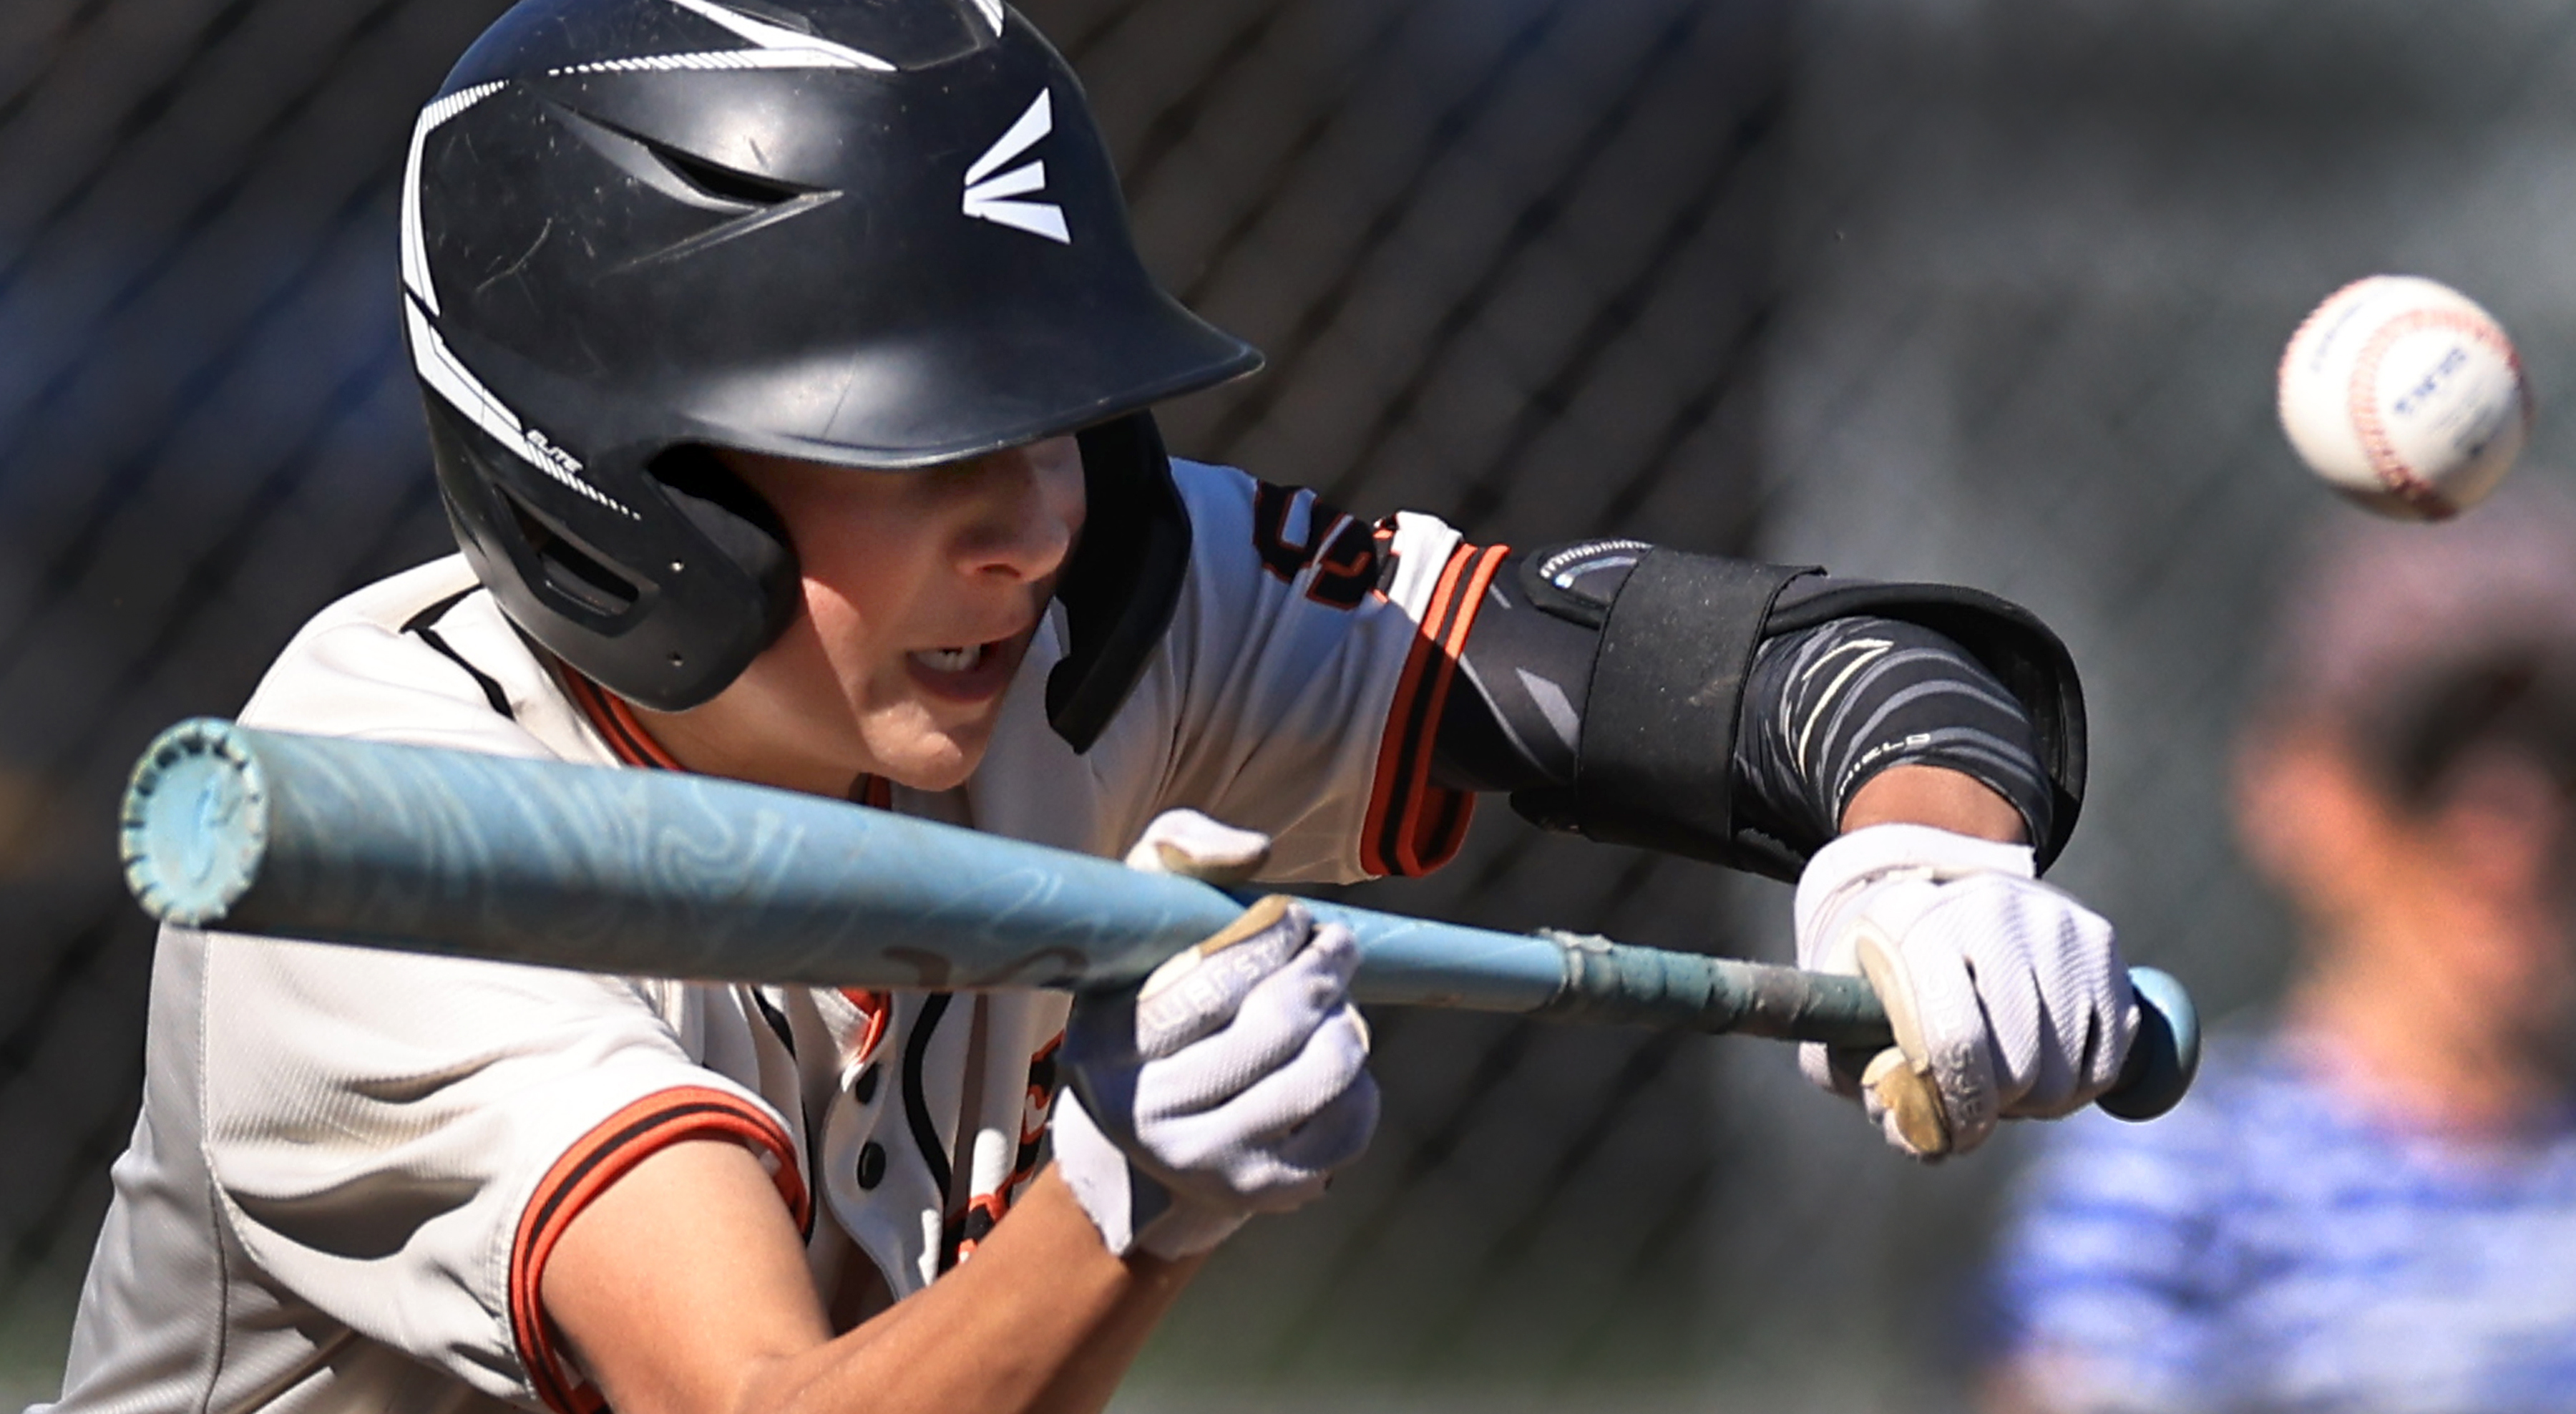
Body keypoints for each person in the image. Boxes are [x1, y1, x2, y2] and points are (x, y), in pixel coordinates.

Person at [40, 2, 2137, 1411]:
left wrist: (1920, 844)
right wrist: (1130, 1211)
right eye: (920, 438)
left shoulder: (1080, 607)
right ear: (627, 485)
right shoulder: (380, 823)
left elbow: (1690, 672)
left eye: (1052, 415)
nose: (1032, 519)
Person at [1981, 489, 2576, 1414]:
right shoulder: (2179, 1169)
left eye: (2565, 748)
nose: (2515, 824)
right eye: (2432, 756)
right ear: (2298, 792)